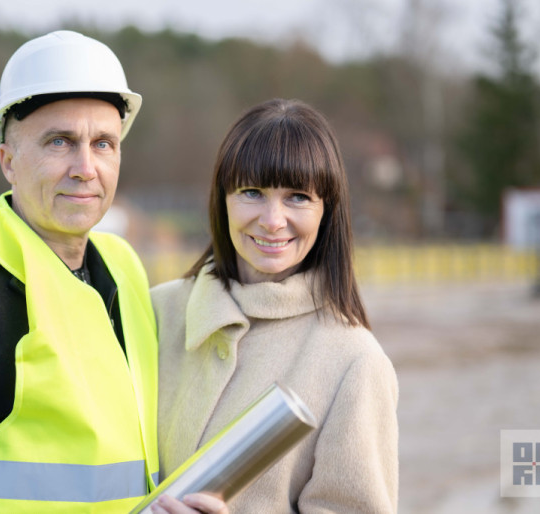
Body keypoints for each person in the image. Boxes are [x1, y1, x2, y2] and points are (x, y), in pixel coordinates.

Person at [0, 30, 226, 514]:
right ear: (8, 161)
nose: (86, 168)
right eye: (60, 142)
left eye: (104, 143)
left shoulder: (124, 268)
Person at [151, 98, 399, 513]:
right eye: (252, 192)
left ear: (327, 211)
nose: (272, 220)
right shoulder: (156, 312)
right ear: (222, 199)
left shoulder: (355, 363)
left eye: (298, 197)